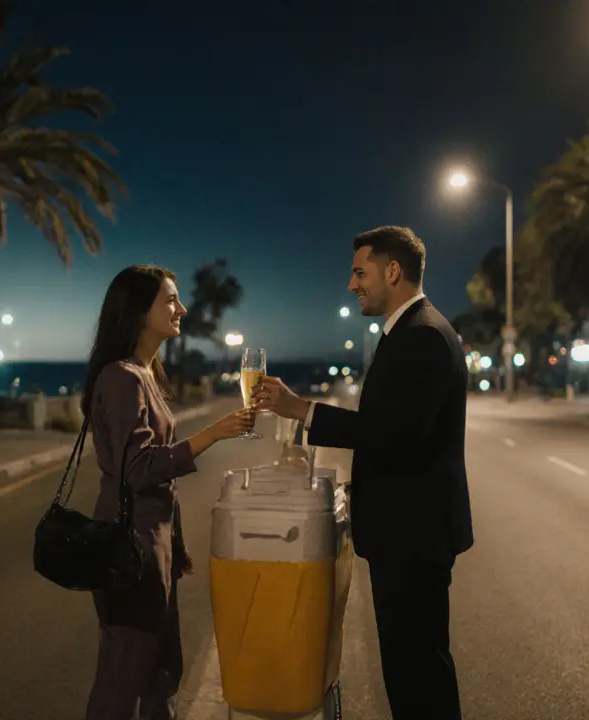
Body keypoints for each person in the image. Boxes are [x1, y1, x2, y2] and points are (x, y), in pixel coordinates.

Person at [253, 226, 473, 719]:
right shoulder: (411, 331)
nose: (352, 284)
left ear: (391, 271)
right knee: (410, 669)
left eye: (359, 271)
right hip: (407, 533)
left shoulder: (423, 336)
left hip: (413, 537)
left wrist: (303, 410)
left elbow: (394, 434)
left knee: (419, 675)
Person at [82, 264, 256, 720]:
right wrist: (212, 434)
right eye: (170, 300)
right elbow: (137, 469)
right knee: (124, 675)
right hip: (128, 548)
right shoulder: (122, 377)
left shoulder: (143, 373)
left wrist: (173, 548)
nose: (182, 308)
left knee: (161, 671)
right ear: (140, 311)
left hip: (152, 544)